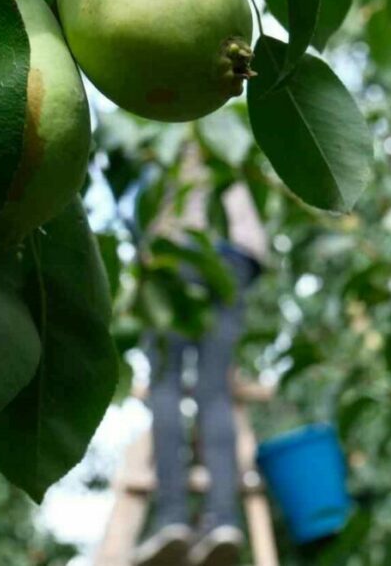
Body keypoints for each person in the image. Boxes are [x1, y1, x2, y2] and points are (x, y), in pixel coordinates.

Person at [133, 142, 269, 566]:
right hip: (233, 258)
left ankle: (172, 519)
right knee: (215, 392)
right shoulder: (226, 132)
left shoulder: (155, 129)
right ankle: (223, 521)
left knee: (166, 384)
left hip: (172, 253)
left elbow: (140, 211)